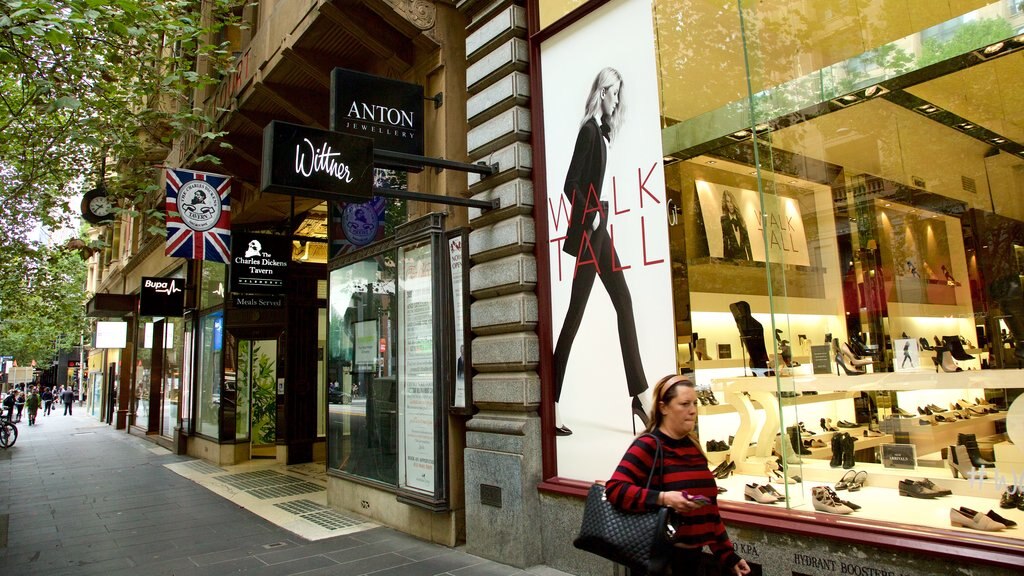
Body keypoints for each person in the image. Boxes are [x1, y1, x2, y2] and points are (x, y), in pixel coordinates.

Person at [552, 67, 648, 436]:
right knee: (574, 316)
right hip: (591, 231)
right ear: (602, 92)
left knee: (624, 301)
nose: (617, 100)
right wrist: (590, 217)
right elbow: (569, 184)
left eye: (620, 94)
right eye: (614, 93)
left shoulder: (602, 133)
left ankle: (639, 394)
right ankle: (554, 400)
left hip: (598, 231)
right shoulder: (590, 131)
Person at [605, 374, 751, 576]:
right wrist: (663, 498)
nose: (692, 411)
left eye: (694, 403)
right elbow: (615, 489)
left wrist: (728, 556)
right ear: (664, 407)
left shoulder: (693, 447)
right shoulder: (649, 445)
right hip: (659, 562)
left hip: (692, 562)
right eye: (684, 404)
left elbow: (709, 510)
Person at [720, 189, 751, 261]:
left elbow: (747, 243)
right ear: (725, 204)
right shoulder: (724, 220)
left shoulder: (741, 220)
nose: (730, 205)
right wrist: (725, 262)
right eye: (728, 202)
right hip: (732, 259)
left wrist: (752, 262)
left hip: (744, 259)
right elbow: (725, 241)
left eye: (731, 201)